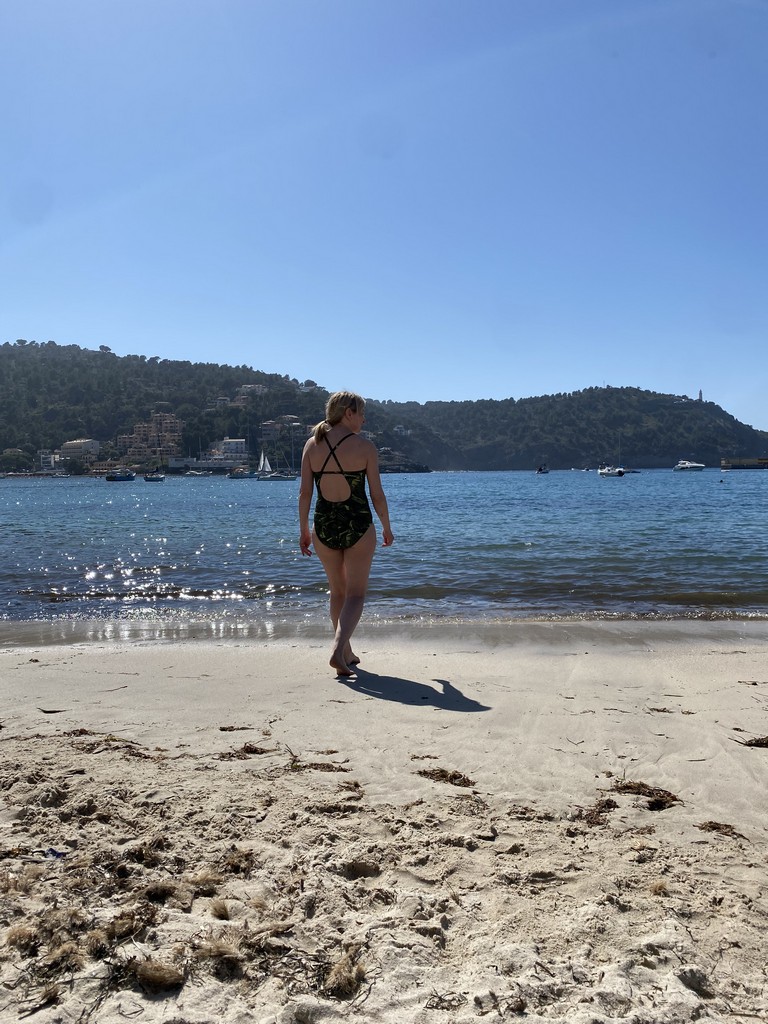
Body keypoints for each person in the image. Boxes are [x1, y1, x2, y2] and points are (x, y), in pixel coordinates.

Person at [299, 391, 394, 676]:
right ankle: (338, 649)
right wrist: (387, 526)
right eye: (362, 413)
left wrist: (303, 530)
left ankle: (347, 653)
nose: (364, 419)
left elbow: (305, 493)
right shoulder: (365, 447)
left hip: (323, 525)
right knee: (355, 595)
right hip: (358, 525)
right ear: (348, 413)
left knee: (337, 592)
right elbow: (377, 495)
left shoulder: (312, 445)